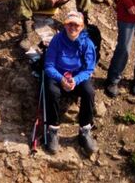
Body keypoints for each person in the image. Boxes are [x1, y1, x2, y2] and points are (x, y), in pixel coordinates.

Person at [39, 10, 98, 156]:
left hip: (76, 77)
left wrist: (75, 80)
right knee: (52, 91)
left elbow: (89, 68)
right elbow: (49, 66)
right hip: (58, 75)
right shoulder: (57, 40)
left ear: (82, 26)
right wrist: (61, 79)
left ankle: (85, 130)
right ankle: (53, 130)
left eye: (76, 25)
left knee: (89, 91)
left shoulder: (87, 44)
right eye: (69, 24)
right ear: (65, 25)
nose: (72, 27)